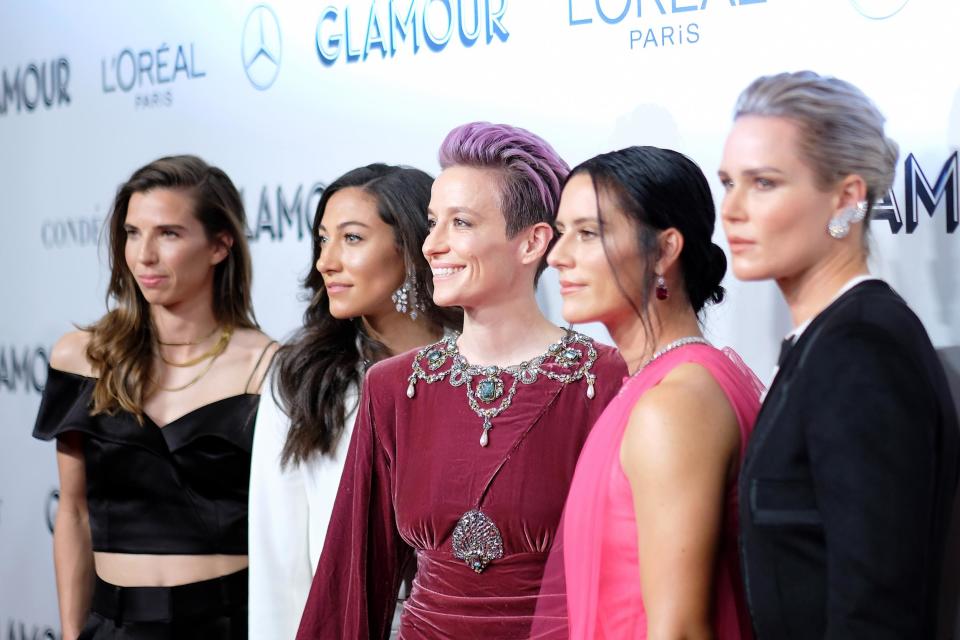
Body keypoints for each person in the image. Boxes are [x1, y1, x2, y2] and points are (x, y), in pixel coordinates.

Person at [295, 122, 627, 639]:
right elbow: (353, 582)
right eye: (433, 223)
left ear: (533, 242)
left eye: (462, 224)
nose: (433, 246)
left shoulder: (605, 380)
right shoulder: (394, 387)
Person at [719, 70, 960, 638]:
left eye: (764, 183)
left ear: (848, 198)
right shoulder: (828, 341)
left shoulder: (861, 352)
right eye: (727, 181)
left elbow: (875, 610)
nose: (730, 209)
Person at [33, 155, 276, 639]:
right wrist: (70, 632)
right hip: (113, 626)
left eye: (168, 233)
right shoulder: (82, 358)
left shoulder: (267, 367)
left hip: (228, 624)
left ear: (219, 246)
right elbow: (74, 511)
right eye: (132, 233)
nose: (144, 255)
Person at [538, 146, 762, 639]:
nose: (557, 256)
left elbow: (679, 630)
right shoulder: (655, 387)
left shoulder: (675, 404)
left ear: (664, 250)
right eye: (560, 233)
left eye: (588, 233)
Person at [248, 163, 461, 639]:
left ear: (410, 247)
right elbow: (277, 555)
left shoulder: (481, 364)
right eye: (323, 240)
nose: (326, 261)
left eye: (352, 238)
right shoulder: (303, 374)